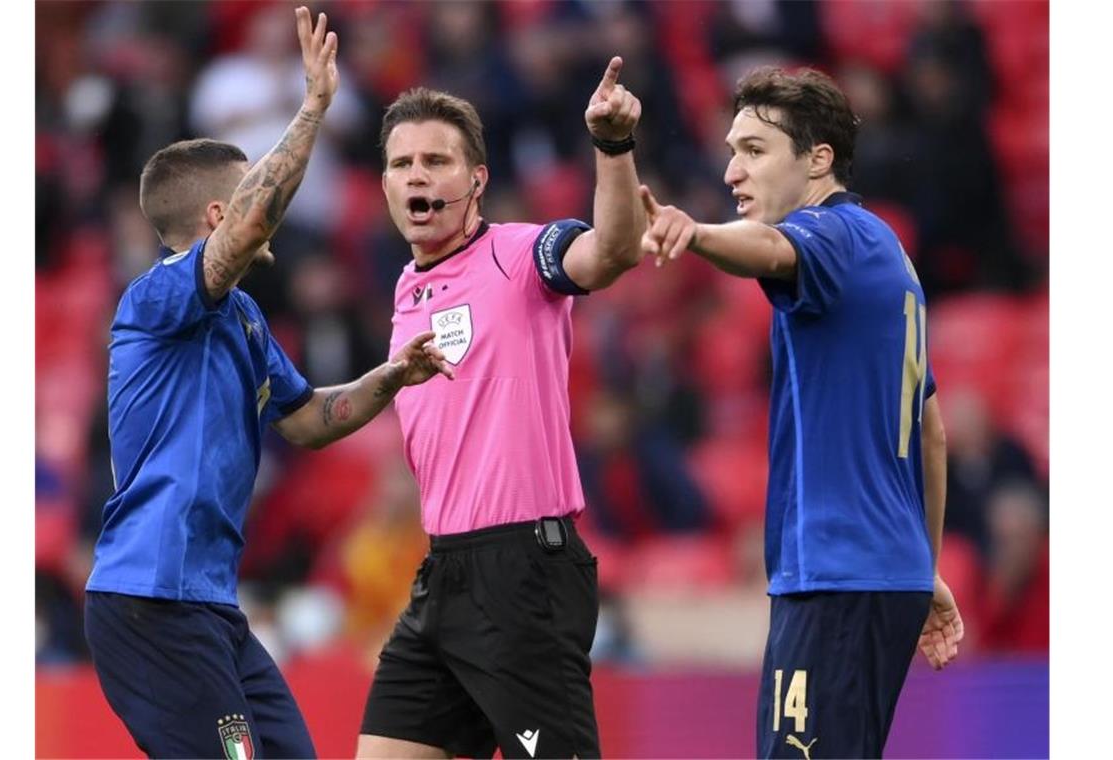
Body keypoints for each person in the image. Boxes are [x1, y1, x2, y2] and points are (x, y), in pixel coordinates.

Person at [83, 8, 452, 758]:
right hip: (150, 600)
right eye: (254, 189)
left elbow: (307, 420)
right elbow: (248, 230)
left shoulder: (245, 318)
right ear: (221, 213)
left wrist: (393, 375)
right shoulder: (152, 301)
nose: (272, 209)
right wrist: (312, 106)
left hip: (211, 606)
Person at [639, 66, 965, 758]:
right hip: (876, 573)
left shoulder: (833, 236)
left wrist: (693, 232)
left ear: (818, 159)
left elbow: (770, 248)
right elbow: (929, 433)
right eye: (731, 151)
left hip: (838, 578)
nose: (732, 171)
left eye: (754, 151)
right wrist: (922, 566)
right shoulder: (887, 255)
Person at [356, 56, 646, 759]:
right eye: (402, 163)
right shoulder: (406, 286)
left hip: (524, 572)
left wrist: (611, 148)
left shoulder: (519, 255)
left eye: (436, 160)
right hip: (443, 573)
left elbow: (611, 252)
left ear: (477, 180)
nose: (417, 175)